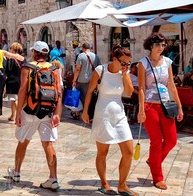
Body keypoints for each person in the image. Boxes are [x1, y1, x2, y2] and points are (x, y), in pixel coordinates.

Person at [7, 41, 63, 191]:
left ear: (34, 53)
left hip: (30, 111)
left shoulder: (28, 67)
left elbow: (23, 90)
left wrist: (18, 112)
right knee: (48, 144)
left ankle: (17, 172)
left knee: (23, 141)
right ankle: (53, 178)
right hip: (48, 112)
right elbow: (58, 92)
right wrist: (57, 113)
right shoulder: (54, 69)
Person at [82, 46, 136, 196]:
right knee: (103, 152)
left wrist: (125, 75)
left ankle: (122, 185)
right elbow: (90, 91)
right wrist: (85, 111)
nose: (126, 66)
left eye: (128, 63)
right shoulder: (101, 70)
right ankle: (104, 184)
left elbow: (130, 92)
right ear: (114, 59)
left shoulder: (124, 73)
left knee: (128, 151)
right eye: (123, 63)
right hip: (102, 114)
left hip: (119, 115)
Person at [138, 33, 183, 191]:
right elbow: (142, 88)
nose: (161, 47)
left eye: (163, 45)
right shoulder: (143, 63)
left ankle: (153, 161)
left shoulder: (168, 62)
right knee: (156, 141)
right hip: (150, 105)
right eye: (158, 44)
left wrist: (179, 106)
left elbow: (171, 85)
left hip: (166, 104)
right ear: (151, 45)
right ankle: (158, 177)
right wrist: (141, 109)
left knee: (171, 140)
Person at [72, 42, 100, 120]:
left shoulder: (81, 56)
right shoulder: (96, 56)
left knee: (80, 97)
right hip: (92, 81)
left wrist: (74, 80)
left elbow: (77, 69)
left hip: (81, 80)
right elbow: (99, 69)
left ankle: (78, 113)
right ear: (90, 48)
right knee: (90, 97)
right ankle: (89, 114)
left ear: (83, 48)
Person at [4, 43, 26, 122]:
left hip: (12, 80)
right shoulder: (23, 58)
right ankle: (13, 115)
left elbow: (8, 70)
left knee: (14, 99)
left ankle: (19, 116)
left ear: (13, 49)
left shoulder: (11, 59)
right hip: (21, 80)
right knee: (14, 99)